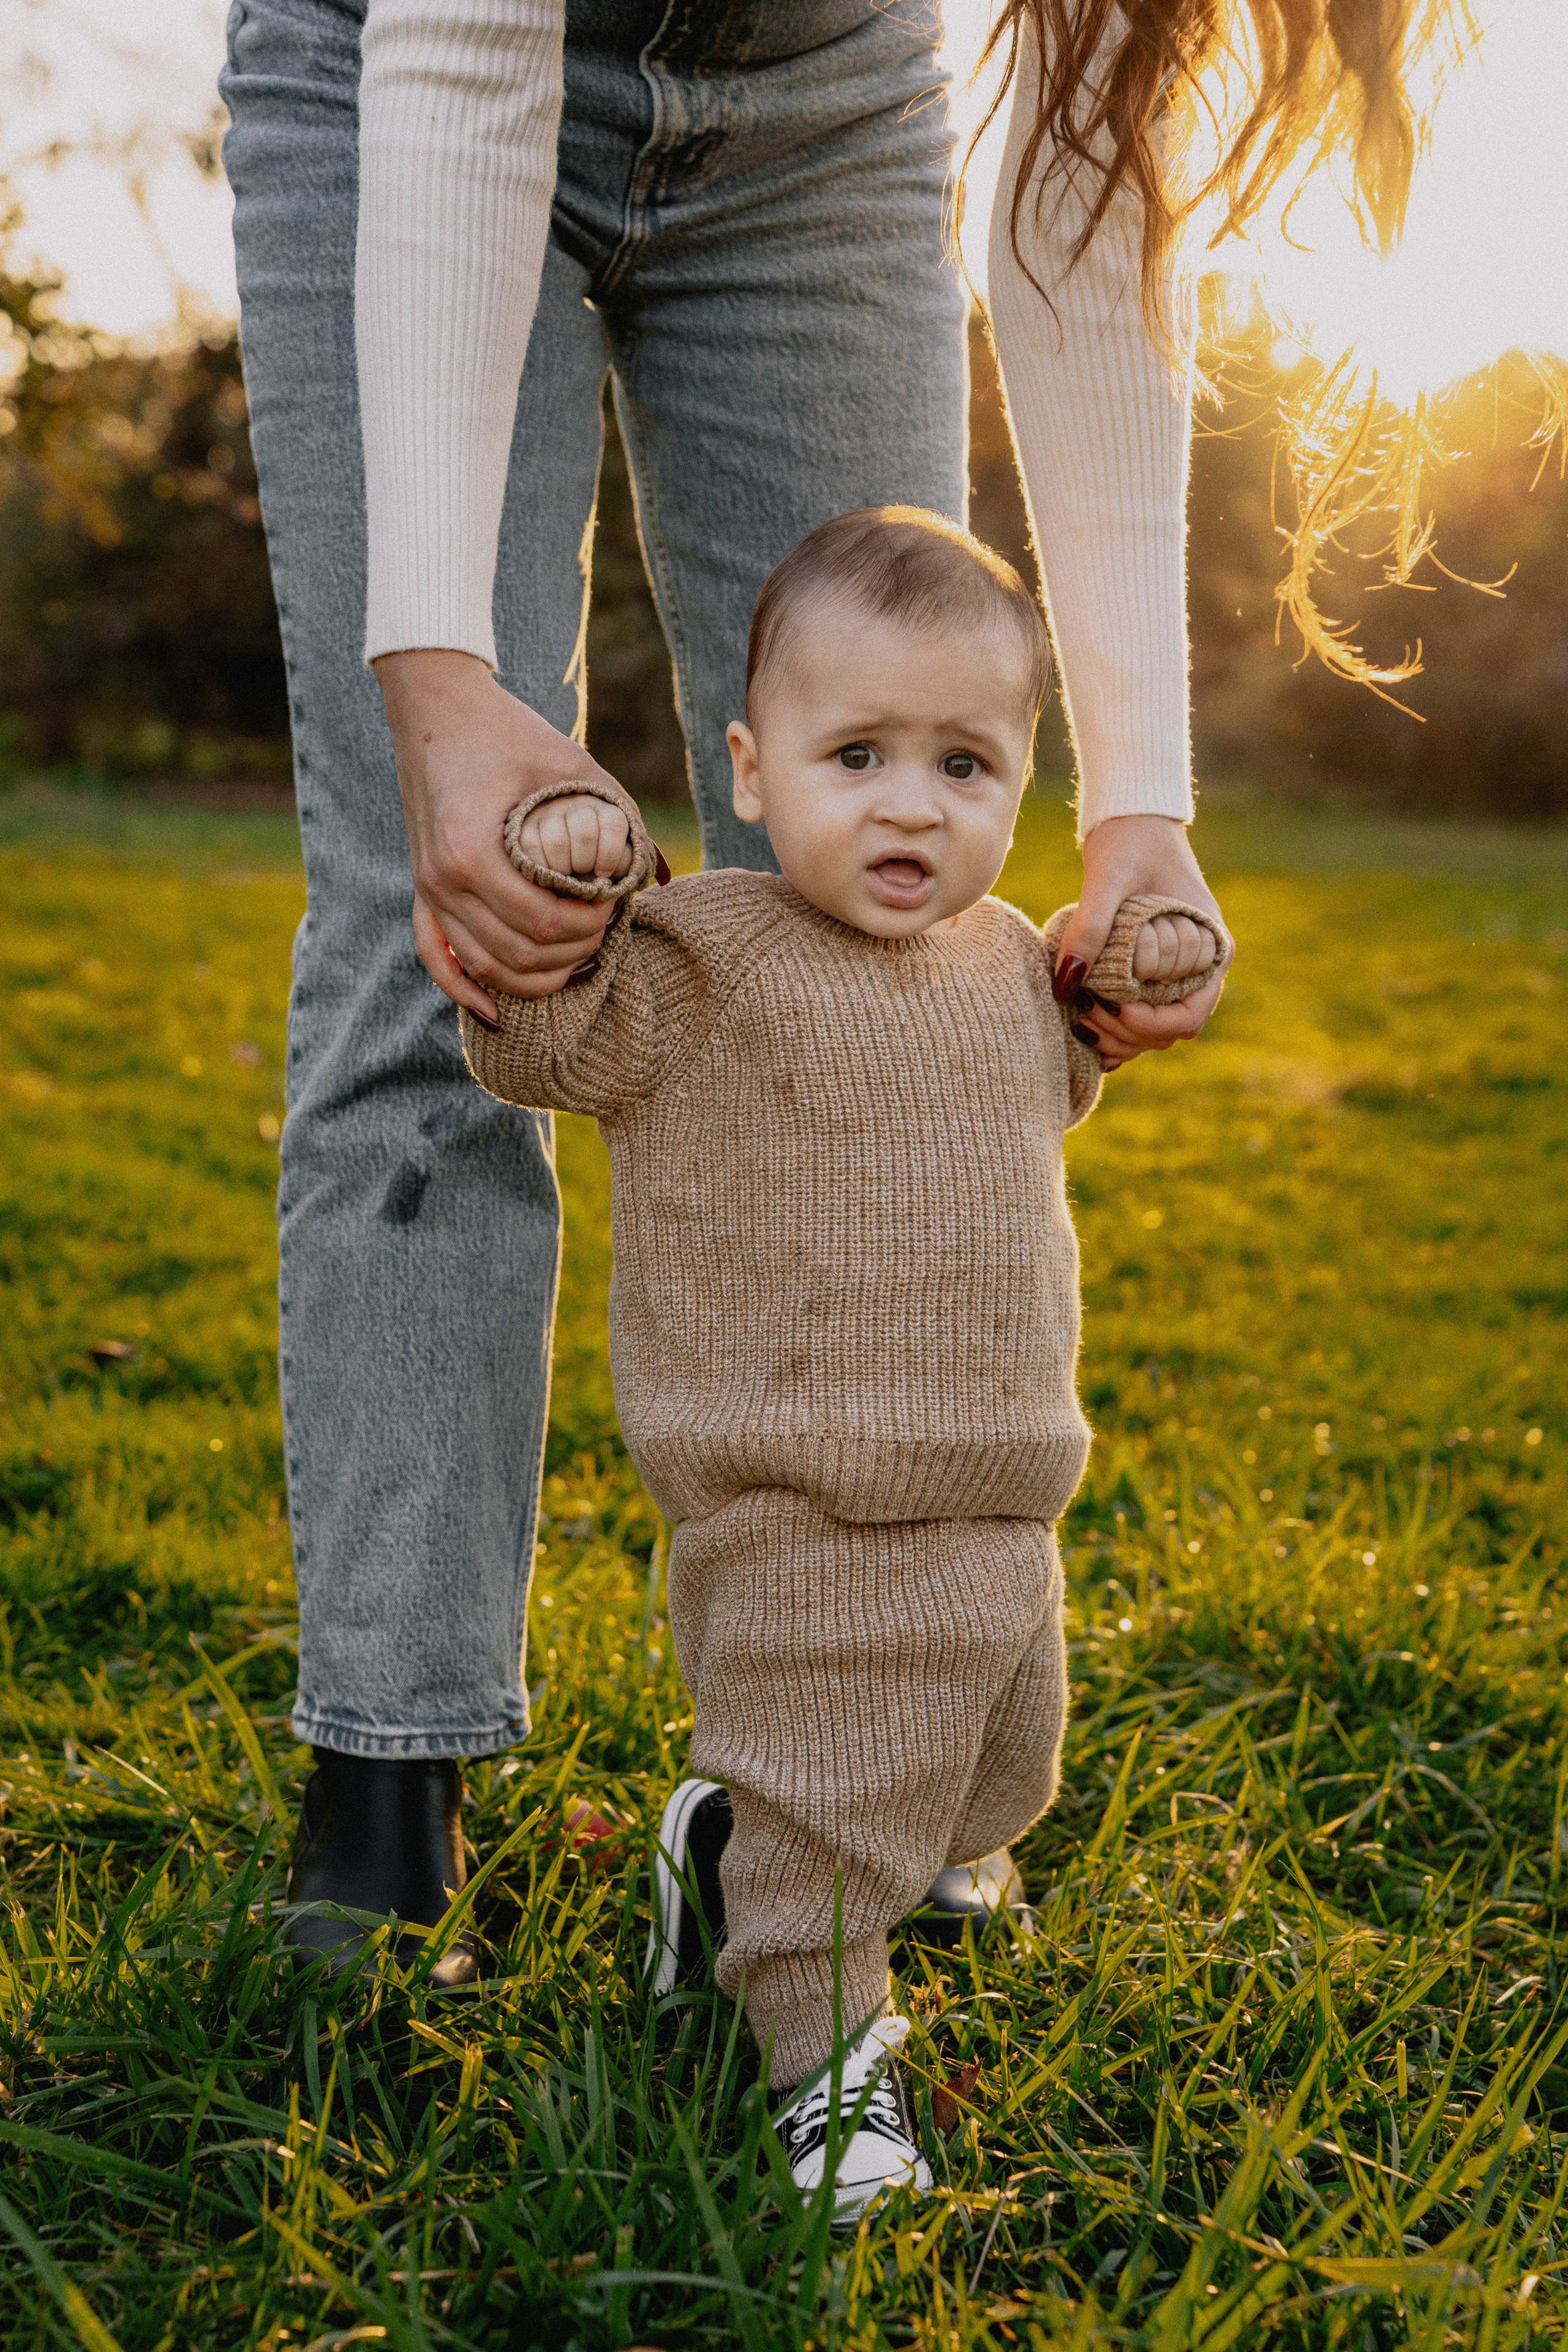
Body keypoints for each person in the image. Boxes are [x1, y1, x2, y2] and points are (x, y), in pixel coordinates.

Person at [220, 0, 1266, 1980]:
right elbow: (464, 53)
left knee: (885, 928)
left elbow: (1091, 166)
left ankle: (857, 1757)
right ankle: (395, 1747)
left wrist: (1138, 802)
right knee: (439, 911)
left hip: (829, 109)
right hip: (410, 72)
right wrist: (444, 676)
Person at [458, 504, 1229, 2218]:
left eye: (966, 764)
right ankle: (818, 2054)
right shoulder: (698, 956)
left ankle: (732, 1855)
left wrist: (1157, 952)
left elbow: (1093, 1044)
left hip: (1001, 1484)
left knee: (992, 1769)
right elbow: (541, 1038)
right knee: (838, 1790)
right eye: (858, 752)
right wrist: (565, 866)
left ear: (1025, 782)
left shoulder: (1014, 964)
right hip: (791, 1489)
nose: (910, 802)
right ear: (750, 764)